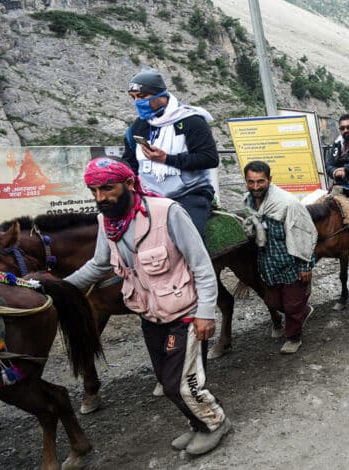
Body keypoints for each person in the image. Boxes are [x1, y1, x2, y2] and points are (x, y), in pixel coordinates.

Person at [65, 158, 229, 456]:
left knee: (180, 382)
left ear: (128, 184)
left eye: (107, 188)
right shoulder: (108, 222)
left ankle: (216, 423)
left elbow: (202, 265)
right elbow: (99, 264)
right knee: (167, 381)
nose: (100, 197)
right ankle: (199, 424)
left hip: (186, 313)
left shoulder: (168, 212)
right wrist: (58, 290)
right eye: (93, 190)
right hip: (151, 314)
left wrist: (206, 312)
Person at [122, 69, 219, 239]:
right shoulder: (138, 127)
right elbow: (130, 162)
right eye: (134, 97)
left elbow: (209, 158)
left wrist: (166, 159)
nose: (137, 102)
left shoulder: (192, 121)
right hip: (148, 195)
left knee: (188, 239)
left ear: (161, 95)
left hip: (189, 194)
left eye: (142, 96)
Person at [243, 161, 317, 354]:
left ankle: (293, 338)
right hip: (268, 263)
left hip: (290, 263)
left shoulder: (287, 204)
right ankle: (304, 310)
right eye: (251, 182)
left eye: (260, 181)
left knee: (292, 305)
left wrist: (305, 265)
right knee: (273, 302)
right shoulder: (249, 201)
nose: (256, 187)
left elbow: (304, 233)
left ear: (270, 180)